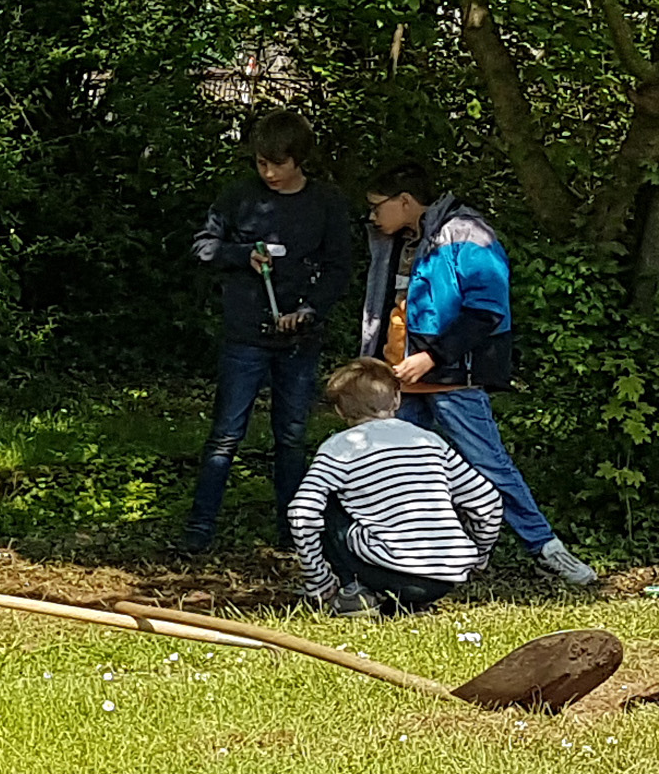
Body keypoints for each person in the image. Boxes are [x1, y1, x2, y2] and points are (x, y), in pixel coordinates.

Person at [355, 164, 597, 588]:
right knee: (393, 467)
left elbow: (486, 311)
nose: (372, 217)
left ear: (406, 201)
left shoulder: (468, 234)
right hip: (401, 380)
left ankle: (545, 548)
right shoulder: (392, 240)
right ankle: (406, 559)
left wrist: (431, 357)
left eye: (378, 206)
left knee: (489, 466)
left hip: (450, 378)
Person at [181, 109, 355, 551]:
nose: (269, 173)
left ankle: (293, 532)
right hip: (245, 335)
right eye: (261, 163)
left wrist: (311, 311)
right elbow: (204, 245)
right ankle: (199, 531)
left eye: (278, 163)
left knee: (292, 437)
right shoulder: (239, 196)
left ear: (300, 159)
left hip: (299, 341)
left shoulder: (326, 203)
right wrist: (241, 256)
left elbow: (339, 268)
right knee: (225, 434)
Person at [289, 359, 500, 614]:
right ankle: (409, 602)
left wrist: (318, 579)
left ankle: (352, 592)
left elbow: (301, 513)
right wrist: (479, 555)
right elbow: (487, 499)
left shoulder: (338, 449)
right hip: (447, 576)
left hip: (386, 568)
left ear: (340, 411)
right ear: (397, 400)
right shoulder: (429, 440)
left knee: (328, 502)